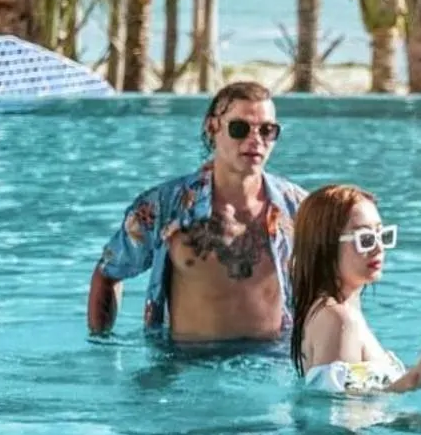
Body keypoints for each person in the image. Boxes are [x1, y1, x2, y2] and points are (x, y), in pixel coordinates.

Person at [87, 80, 307, 344]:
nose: (256, 140)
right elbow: (108, 272)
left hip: (271, 362)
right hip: (186, 365)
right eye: (240, 128)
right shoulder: (164, 205)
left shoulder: (297, 208)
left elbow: (335, 284)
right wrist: (101, 349)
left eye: (267, 130)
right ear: (213, 128)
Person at [288, 184, 421, 394]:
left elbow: (358, 394)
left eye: (381, 235)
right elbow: (336, 413)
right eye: (365, 239)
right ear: (325, 245)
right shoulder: (337, 318)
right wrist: (414, 379)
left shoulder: (338, 309)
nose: (379, 248)